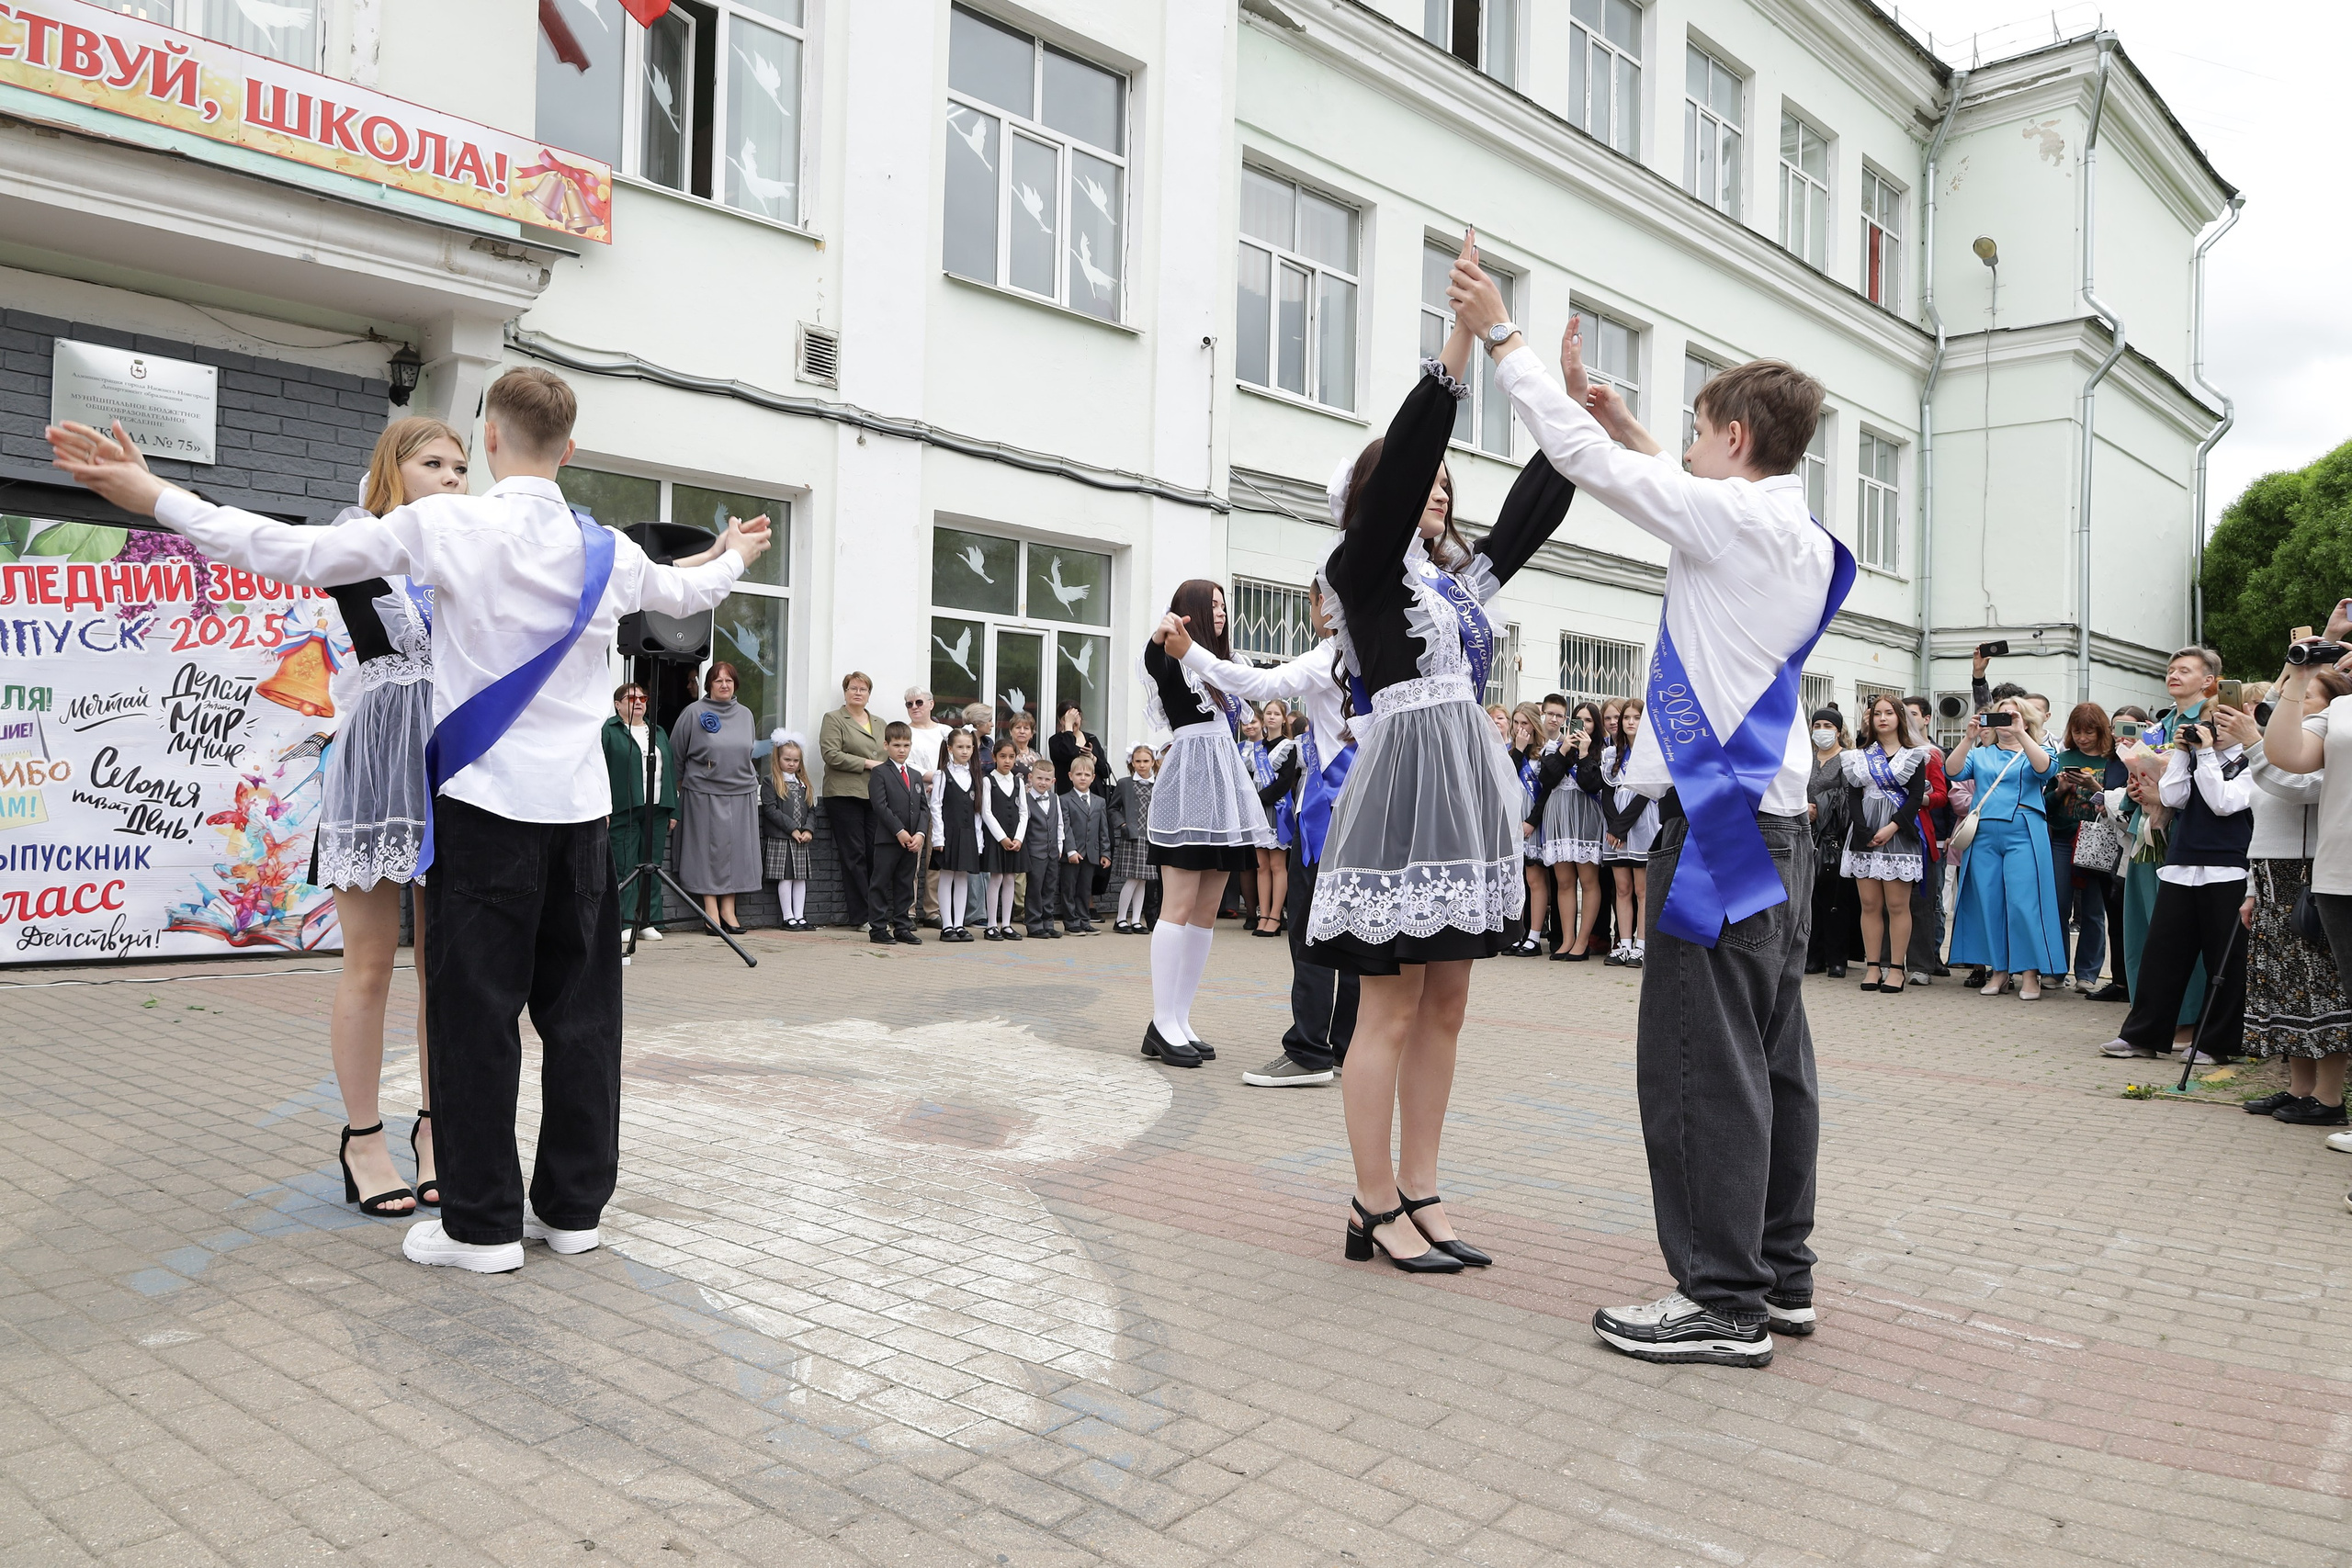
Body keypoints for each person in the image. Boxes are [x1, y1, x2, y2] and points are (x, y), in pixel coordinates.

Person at [48, 367, 769, 1273]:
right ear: (571, 450)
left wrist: (152, 491)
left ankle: (481, 1229)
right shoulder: (605, 551)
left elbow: (288, 551)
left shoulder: (447, 526)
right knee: (581, 1019)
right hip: (584, 814)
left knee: (474, 1017)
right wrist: (736, 553)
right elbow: (686, 592)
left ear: (494, 440)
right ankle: (575, 1212)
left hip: (483, 809)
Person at [1459, 248, 1851, 1365]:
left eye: (1693, 426)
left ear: (1734, 437)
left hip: (1723, 836)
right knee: (1772, 1060)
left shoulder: (1740, 525)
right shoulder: (1796, 532)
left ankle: (1720, 1301)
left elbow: (1585, 464)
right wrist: (1633, 425)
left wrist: (1503, 336)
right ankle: (1777, 1277)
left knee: (1698, 1061)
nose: (1681, 441)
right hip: (1778, 833)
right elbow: (1675, 495)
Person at [1314, 234, 1577, 1278]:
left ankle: (1421, 1186)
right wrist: (1457, 346)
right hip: (1402, 785)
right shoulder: (1361, 570)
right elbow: (1409, 462)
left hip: (1462, 786)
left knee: (1449, 1000)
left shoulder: (1457, 587)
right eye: (1423, 487)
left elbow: (1532, 512)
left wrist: (1564, 413)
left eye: (1444, 491)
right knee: (1388, 999)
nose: (1440, 497)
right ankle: (1370, 1198)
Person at [313, 415, 469, 1216]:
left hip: (453, 771)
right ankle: (363, 1139)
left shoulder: (468, 562)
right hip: (376, 770)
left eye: (461, 465)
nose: (452, 475)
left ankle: (438, 1132)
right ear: (393, 468)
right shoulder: (357, 541)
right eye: (433, 461)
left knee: (443, 972)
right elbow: (384, 648)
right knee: (370, 965)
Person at [1165, 585, 1360, 1088]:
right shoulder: (1381, 650)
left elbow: (1257, 683)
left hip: (1331, 806)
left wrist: (1191, 652)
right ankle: (1349, 1045)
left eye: (1313, 601)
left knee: (1313, 930)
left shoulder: (1328, 656)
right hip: (1372, 803)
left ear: (1328, 606)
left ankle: (1310, 1050)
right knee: (1357, 930)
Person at [1138, 581, 1277, 1067]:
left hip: (1225, 792)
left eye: (1223, 605)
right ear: (1191, 611)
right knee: (1176, 907)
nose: (1220, 612)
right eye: (1211, 605)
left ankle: (1179, 1017)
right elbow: (1155, 660)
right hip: (1190, 784)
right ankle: (1161, 1022)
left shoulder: (1224, 663)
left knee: (1206, 911)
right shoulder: (1172, 656)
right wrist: (1166, 632)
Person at [2098, 662, 2253, 1064]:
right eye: (2203, 725)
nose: (2207, 731)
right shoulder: (2198, 757)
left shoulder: (2252, 761)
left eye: (2215, 724)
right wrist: (2185, 755)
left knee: (2224, 958)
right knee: (2162, 951)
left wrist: (2204, 755)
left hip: (2228, 866)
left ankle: (2217, 1042)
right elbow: (2173, 796)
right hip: (2183, 863)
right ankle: (2144, 1034)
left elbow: (2222, 802)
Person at [2227, 673, 2352, 1125]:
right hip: (2271, 876)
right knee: (2285, 991)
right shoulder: (2288, 738)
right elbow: (2263, 826)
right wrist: (2251, 889)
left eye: (2305, 697)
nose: (2290, 705)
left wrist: (2253, 744)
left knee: (2320, 989)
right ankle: (2301, 1090)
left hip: (2311, 876)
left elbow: (2299, 787)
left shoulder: (2330, 742)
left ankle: (2330, 1098)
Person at [1946, 698, 2065, 1000]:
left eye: (2012, 714)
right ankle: (1998, 971)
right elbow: (1953, 771)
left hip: (2024, 830)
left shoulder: (2037, 750)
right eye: (2000, 715)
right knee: (1989, 901)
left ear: (2025, 719)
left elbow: (2046, 770)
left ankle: (2029, 973)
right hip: (1984, 832)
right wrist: (1969, 737)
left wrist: (2022, 733)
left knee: (2024, 902)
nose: (2005, 721)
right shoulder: (1981, 754)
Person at [1840, 694, 1931, 994]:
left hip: (1898, 831)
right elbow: (1854, 794)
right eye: (1877, 713)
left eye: (1889, 713)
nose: (1882, 718)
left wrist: (1892, 827)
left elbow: (1916, 797)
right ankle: (1872, 967)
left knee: (1897, 905)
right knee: (1869, 905)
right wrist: (1864, 829)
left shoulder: (1915, 754)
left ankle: (1896, 968)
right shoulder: (1858, 755)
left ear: (1899, 718)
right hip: (1864, 832)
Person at [671, 662, 760, 936]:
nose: (724, 685)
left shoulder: (745, 715)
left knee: (734, 853)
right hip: (703, 793)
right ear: (708, 684)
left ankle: (728, 911)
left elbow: (748, 752)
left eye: (729, 680)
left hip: (741, 792)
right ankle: (710, 912)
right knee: (707, 853)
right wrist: (680, 787)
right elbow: (676, 752)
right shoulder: (693, 712)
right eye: (718, 680)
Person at [2048, 704, 2129, 995]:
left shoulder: (2113, 760)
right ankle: (2056, 970)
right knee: (2058, 906)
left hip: (2100, 840)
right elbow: (2046, 804)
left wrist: (2094, 785)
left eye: (2089, 731)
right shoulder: (2062, 758)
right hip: (2061, 839)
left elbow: (2119, 802)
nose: (2082, 738)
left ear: (2101, 730)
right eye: (2077, 731)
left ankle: (2088, 973)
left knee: (2094, 910)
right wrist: (2060, 790)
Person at [604, 682, 678, 942]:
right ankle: (624, 921)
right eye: (631, 698)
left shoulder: (657, 731)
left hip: (656, 807)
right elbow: (600, 770)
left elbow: (669, 769)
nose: (638, 702)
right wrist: (603, 806)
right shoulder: (609, 731)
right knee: (625, 865)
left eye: (643, 697)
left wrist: (673, 808)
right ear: (617, 704)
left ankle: (648, 920)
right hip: (624, 807)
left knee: (652, 865)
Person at [1536, 699, 1607, 960]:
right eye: (1579, 720)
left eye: (1588, 721)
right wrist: (1565, 749)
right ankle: (1566, 939)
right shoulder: (1556, 748)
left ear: (1595, 725)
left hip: (1585, 815)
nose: (1583, 726)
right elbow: (1547, 780)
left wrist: (1586, 753)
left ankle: (1582, 940)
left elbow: (1591, 784)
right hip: (1558, 815)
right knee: (1564, 882)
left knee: (1588, 881)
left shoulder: (1601, 751)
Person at [820, 672, 888, 928]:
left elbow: (889, 753)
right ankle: (862, 916)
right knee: (854, 855)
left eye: (863, 689)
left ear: (869, 694)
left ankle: (877, 913)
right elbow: (831, 754)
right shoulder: (834, 718)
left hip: (875, 796)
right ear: (845, 692)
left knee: (875, 853)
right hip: (844, 794)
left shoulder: (880, 722)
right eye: (853, 688)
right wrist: (868, 763)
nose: (858, 693)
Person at [1599, 699, 1659, 967]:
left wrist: (1622, 826)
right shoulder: (1613, 753)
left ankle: (1641, 945)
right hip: (1616, 830)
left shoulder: (1651, 754)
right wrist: (1614, 828)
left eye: (1636, 717)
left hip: (1642, 824)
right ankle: (1623, 943)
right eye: (1626, 718)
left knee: (1642, 889)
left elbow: (1645, 796)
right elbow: (1608, 793)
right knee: (1621, 889)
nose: (1630, 722)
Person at [1902, 694, 1953, 985]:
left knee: (1926, 901)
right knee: (1890, 903)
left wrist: (1916, 800)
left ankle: (1925, 961)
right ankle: (1888, 962)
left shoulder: (1933, 753)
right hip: (1889, 835)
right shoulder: (1881, 751)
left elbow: (1942, 796)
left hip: (1926, 836)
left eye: (1912, 714)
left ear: (1926, 718)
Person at [1804, 706, 1858, 979]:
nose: (1821, 730)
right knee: (1810, 899)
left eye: (1827, 725)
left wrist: (1819, 810)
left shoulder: (1847, 759)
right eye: (1817, 725)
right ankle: (1813, 955)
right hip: (1807, 836)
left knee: (1835, 899)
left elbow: (1848, 799)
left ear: (1838, 730)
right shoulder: (1806, 759)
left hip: (1834, 837)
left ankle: (1838, 958)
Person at [865, 722, 927, 946]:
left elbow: (923, 808)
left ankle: (902, 926)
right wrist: (900, 831)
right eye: (897, 745)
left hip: (912, 842)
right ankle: (879, 928)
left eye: (906, 745)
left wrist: (919, 834)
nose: (902, 750)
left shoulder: (915, 775)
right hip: (888, 840)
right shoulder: (880, 772)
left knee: (905, 883)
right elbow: (880, 806)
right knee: (880, 883)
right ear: (886, 745)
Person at [927, 726, 982, 942]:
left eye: (969, 747)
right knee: (946, 875)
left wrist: (979, 840)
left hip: (968, 833)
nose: (965, 751)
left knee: (962, 877)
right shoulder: (942, 775)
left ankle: (959, 924)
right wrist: (938, 837)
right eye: (960, 747)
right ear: (950, 748)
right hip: (949, 833)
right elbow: (936, 807)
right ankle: (947, 925)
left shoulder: (975, 776)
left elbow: (977, 811)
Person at [1505, 704, 1552, 956]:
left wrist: (1532, 821)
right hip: (1513, 821)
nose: (1520, 728)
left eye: (1525, 723)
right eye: (1516, 723)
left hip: (1534, 821)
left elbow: (1545, 793)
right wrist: (1519, 750)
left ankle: (1534, 935)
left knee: (1535, 878)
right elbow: (1506, 779)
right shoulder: (1511, 752)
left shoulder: (1546, 753)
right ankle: (1517, 932)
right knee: (1517, 879)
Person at [759, 734, 817, 931]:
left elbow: (811, 809)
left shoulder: (803, 783)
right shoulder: (771, 781)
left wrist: (808, 829)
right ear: (778, 759)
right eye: (787, 759)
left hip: (801, 838)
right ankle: (788, 917)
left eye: (796, 760)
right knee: (786, 876)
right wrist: (792, 828)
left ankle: (800, 916)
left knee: (800, 877)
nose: (792, 764)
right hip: (781, 838)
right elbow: (770, 809)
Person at [904, 687, 946, 927]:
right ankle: (908, 911)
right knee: (912, 858)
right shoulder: (905, 731)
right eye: (909, 704)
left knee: (936, 858)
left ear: (931, 704)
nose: (914, 707)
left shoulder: (946, 731)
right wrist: (931, 777)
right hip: (914, 800)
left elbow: (956, 760)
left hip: (941, 802)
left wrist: (940, 781)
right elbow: (904, 761)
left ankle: (933, 911)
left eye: (919, 702)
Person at [978, 739, 1026, 940]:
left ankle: (1006, 924)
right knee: (996, 877)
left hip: (1015, 838)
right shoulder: (988, 780)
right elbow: (986, 812)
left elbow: (1024, 812)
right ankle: (991, 924)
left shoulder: (1018, 781)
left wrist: (1018, 838)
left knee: (1010, 878)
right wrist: (1002, 838)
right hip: (997, 838)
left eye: (1011, 757)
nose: (1007, 761)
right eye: (1003, 756)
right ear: (994, 757)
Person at [1059, 754, 1110, 933]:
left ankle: (1083, 919)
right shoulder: (1064, 800)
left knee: (1084, 889)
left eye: (1087, 775)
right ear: (1070, 776)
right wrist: (1070, 850)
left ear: (1093, 778)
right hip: (1072, 853)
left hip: (1091, 853)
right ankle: (1071, 921)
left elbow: (1103, 829)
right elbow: (1065, 827)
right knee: (1069, 887)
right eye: (1079, 774)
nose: (1083, 778)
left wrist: (1105, 853)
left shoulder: (1099, 801)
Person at [1110, 746, 1158, 932]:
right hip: (1132, 837)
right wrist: (1122, 825)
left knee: (1144, 880)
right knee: (1133, 879)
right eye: (1138, 761)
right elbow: (1112, 808)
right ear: (1132, 762)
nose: (1142, 765)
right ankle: (1120, 919)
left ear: (1153, 762)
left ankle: (1136, 920)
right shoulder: (1125, 784)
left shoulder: (1158, 784)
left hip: (1151, 838)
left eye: (1146, 761)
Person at [1020, 758, 1066, 940]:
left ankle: (1048, 922)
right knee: (1034, 889)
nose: (1043, 782)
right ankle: (1034, 924)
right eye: (1039, 778)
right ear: (1030, 778)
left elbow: (1060, 824)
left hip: (1053, 851)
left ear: (1053, 781)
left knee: (1049, 888)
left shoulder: (1055, 799)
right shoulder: (1025, 799)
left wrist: (1060, 845)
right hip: (1034, 852)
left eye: (1047, 779)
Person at [1048, 701, 1108, 796]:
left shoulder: (1092, 739)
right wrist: (1068, 729)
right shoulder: (1055, 741)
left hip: (1095, 797)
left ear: (1081, 717)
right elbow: (1069, 752)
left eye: (1075, 717)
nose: (1073, 722)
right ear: (1060, 720)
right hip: (1069, 797)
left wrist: (1092, 758)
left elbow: (1106, 771)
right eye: (1067, 719)